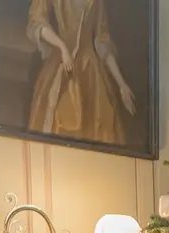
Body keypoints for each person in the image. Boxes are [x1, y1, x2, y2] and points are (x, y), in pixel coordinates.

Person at [26, 0, 137, 146]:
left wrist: (121, 84)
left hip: (90, 71)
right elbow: (37, 22)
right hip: (62, 63)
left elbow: (102, 40)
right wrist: (62, 47)